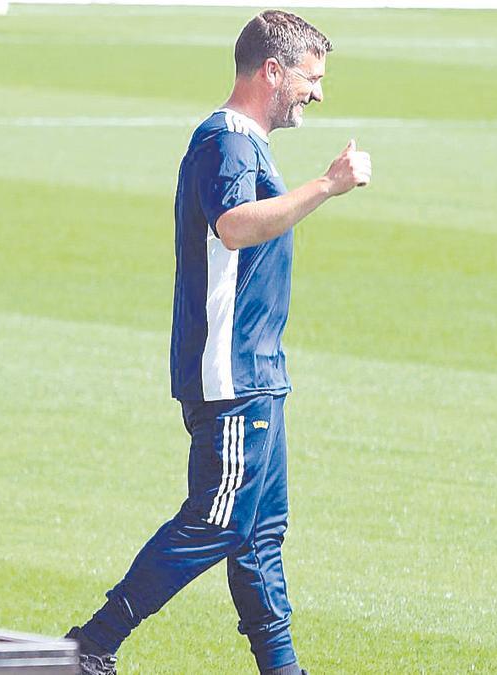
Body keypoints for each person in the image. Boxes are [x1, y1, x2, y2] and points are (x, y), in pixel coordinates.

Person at [64, 10, 371, 675]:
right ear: (272, 71)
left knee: (260, 533)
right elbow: (233, 226)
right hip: (232, 376)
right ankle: (92, 642)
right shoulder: (226, 143)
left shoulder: (244, 143)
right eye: (309, 79)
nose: (316, 93)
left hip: (260, 372)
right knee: (218, 520)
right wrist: (326, 185)